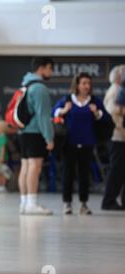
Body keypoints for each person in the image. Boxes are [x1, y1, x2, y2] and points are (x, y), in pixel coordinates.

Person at [53, 73, 109, 215]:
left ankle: (84, 204)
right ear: (77, 84)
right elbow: (54, 112)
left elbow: (106, 118)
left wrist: (97, 113)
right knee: (68, 174)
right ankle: (67, 204)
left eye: (88, 83)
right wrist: (64, 110)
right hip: (69, 144)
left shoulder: (94, 101)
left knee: (84, 175)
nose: (86, 86)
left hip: (87, 143)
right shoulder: (67, 99)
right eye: (84, 83)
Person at [18, 57, 55, 215]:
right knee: (35, 166)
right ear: (42, 68)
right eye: (50, 68)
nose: (51, 72)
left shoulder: (26, 84)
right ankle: (32, 204)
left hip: (24, 131)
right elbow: (43, 116)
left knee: (26, 166)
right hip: (35, 132)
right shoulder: (39, 88)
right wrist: (49, 138)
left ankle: (25, 203)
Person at [102, 65, 125, 210]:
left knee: (121, 171)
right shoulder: (115, 91)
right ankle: (109, 201)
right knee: (116, 171)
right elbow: (111, 111)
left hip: (121, 136)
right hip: (117, 136)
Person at [0, 120, 12, 193]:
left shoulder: (3, 137)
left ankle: (3, 186)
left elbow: (3, 148)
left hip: (0, 158)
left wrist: (1, 157)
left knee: (3, 172)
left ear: (1, 128)